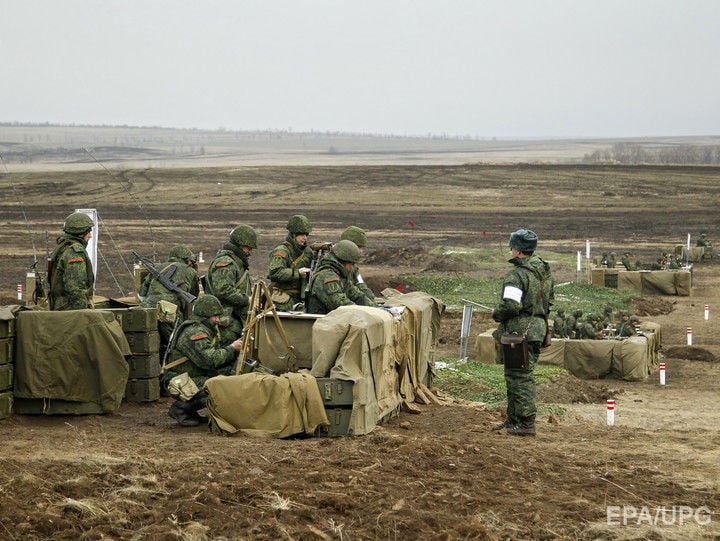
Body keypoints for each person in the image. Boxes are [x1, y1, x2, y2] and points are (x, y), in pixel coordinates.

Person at [491, 229, 554, 437]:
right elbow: (549, 301)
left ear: (517, 251)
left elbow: (510, 305)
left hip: (519, 331)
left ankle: (526, 422)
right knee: (516, 374)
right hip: (537, 329)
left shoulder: (517, 275)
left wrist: (496, 313)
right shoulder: (544, 273)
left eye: (511, 246)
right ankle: (514, 419)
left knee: (520, 376)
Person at [162, 295, 243, 427]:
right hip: (180, 379)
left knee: (229, 378)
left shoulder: (205, 328)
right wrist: (233, 348)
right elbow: (211, 360)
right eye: (214, 316)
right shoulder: (194, 332)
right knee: (220, 387)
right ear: (204, 316)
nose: (217, 320)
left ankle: (190, 410)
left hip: (193, 375)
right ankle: (181, 408)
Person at [139, 245, 200, 359]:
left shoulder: (158, 267)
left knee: (146, 343)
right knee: (175, 345)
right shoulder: (190, 271)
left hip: (147, 308)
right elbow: (194, 296)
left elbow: (142, 293)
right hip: (169, 311)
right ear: (186, 259)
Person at [205, 224, 257, 339]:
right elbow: (223, 290)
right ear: (240, 245)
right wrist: (247, 299)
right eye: (248, 247)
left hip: (234, 317)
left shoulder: (236, 262)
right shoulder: (225, 263)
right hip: (225, 321)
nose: (250, 250)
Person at [307, 240, 378, 314]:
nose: (352, 267)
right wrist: (363, 312)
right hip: (321, 322)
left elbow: (357, 296)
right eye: (350, 263)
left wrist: (375, 309)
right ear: (342, 261)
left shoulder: (341, 276)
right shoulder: (326, 277)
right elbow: (340, 304)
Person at [48, 211, 95, 311]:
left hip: (63, 307)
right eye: (88, 232)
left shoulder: (64, 246)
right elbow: (76, 288)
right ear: (80, 233)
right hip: (70, 310)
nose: (90, 236)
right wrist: (83, 313)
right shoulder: (75, 252)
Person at [268, 215, 313, 311]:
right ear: (293, 235)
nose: (305, 238)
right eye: (301, 234)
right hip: (283, 301)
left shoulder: (308, 252)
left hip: (302, 299)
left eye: (306, 235)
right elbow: (275, 273)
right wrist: (297, 272)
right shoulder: (281, 251)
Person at [339, 225, 375, 304]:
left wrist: (372, 301)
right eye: (359, 247)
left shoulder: (353, 266)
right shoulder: (334, 265)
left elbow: (361, 284)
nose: (361, 251)